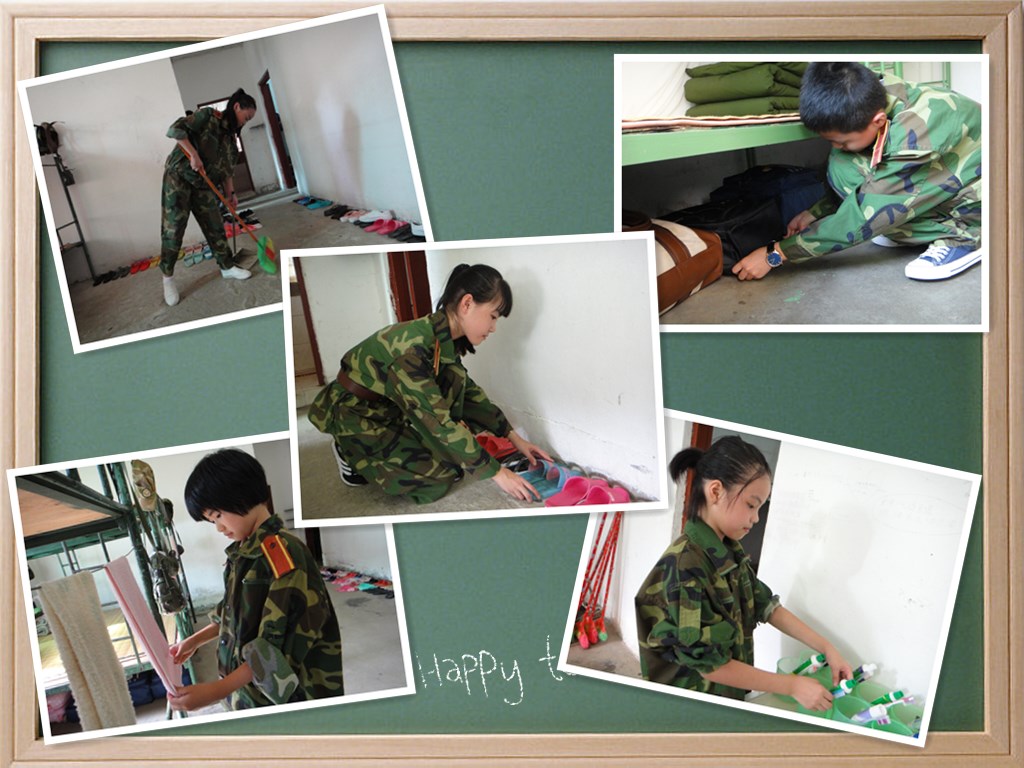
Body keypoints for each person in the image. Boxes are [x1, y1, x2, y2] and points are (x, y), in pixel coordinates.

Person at [635, 436, 852, 710]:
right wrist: (792, 686)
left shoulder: (729, 552)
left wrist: (827, 648)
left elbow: (768, 607)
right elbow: (711, 667)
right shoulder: (686, 567)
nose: (756, 518)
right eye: (751, 504)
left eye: (760, 507)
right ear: (716, 492)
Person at [308, 263, 553, 505]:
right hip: (354, 412)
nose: (494, 328)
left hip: (389, 407)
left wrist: (513, 437)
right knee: (436, 480)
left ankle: (392, 441)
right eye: (493, 316)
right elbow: (438, 423)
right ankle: (348, 450)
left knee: (454, 459)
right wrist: (498, 473)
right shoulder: (413, 349)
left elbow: (469, 393)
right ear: (467, 304)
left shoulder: (441, 337)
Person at [732, 62, 981, 283]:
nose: (836, 147)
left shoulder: (916, 137)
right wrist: (814, 213)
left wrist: (775, 254)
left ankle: (967, 237)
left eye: (842, 141)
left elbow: (863, 217)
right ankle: (912, 229)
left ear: (878, 121)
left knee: (873, 213)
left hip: (988, 199)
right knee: (845, 165)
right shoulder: (872, 92)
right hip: (952, 174)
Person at [167, 449, 344, 711]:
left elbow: (272, 647)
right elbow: (231, 613)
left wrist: (216, 691)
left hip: (288, 700)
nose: (218, 528)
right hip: (249, 693)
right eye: (211, 521)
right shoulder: (244, 552)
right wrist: (193, 641)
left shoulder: (282, 555)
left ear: (241, 494)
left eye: (218, 516)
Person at [159, 88, 257, 307]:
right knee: (173, 230)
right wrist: (193, 154)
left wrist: (231, 195)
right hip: (179, 177)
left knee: (215, 226)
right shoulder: (208, 117)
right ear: (237, 107)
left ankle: (227, 267)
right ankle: (168, 278)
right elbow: (174, 130)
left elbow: (227, 171)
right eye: (247, 116)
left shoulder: (231, 141)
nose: (246, 122)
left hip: (203, 184)